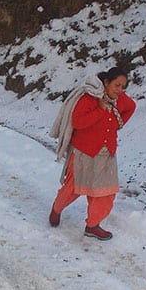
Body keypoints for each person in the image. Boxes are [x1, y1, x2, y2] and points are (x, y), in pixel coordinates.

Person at [48, 67, 136, 240]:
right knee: (73, 188)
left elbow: (131, 107)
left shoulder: (120, 99)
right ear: (106, 82)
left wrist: (116, 125)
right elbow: (78, 122)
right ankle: (56, 209)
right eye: (116, 85)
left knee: (106, 192)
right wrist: (100, 110)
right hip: (84, 151)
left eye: (122, 87)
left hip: (107, 152)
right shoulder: (89, 97)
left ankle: (93, 225)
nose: (119, 90)